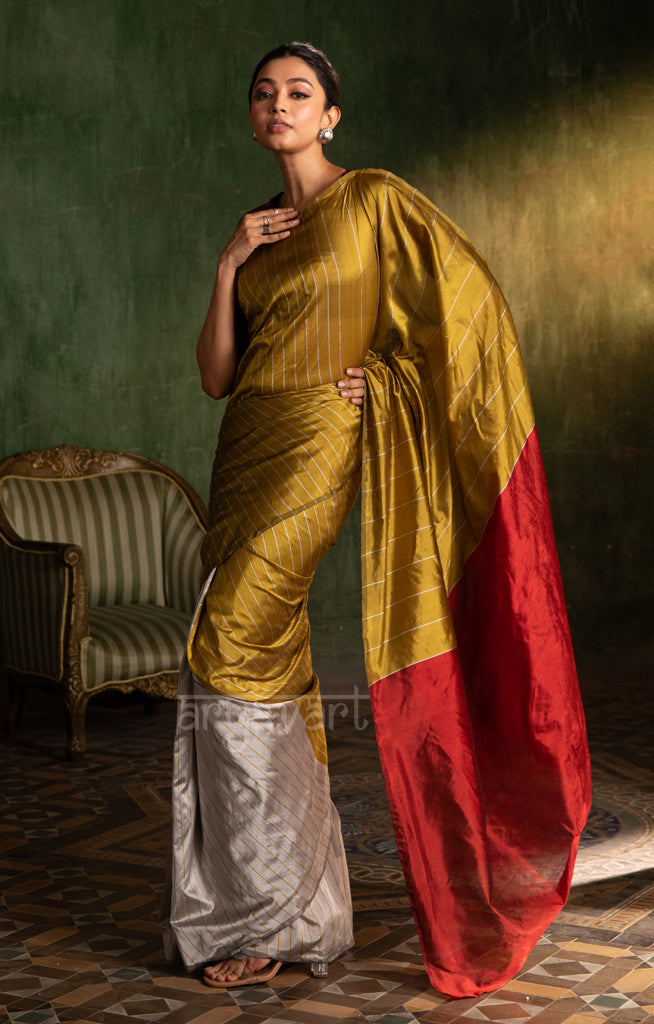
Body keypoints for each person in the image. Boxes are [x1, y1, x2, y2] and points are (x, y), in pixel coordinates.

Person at [162, 42, 591, 999]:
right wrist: (231, 263)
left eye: (299, 94)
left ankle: (265, 911)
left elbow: (470, 316)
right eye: (264, 94)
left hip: (319, 442)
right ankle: (292, 910)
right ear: (253, 116)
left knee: (229, 642)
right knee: (256, 653)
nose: (280, 106)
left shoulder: (374, 201)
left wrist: (388, 378)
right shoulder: (262, 231)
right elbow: (216, 376)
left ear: (332, 117)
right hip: (247, 444)